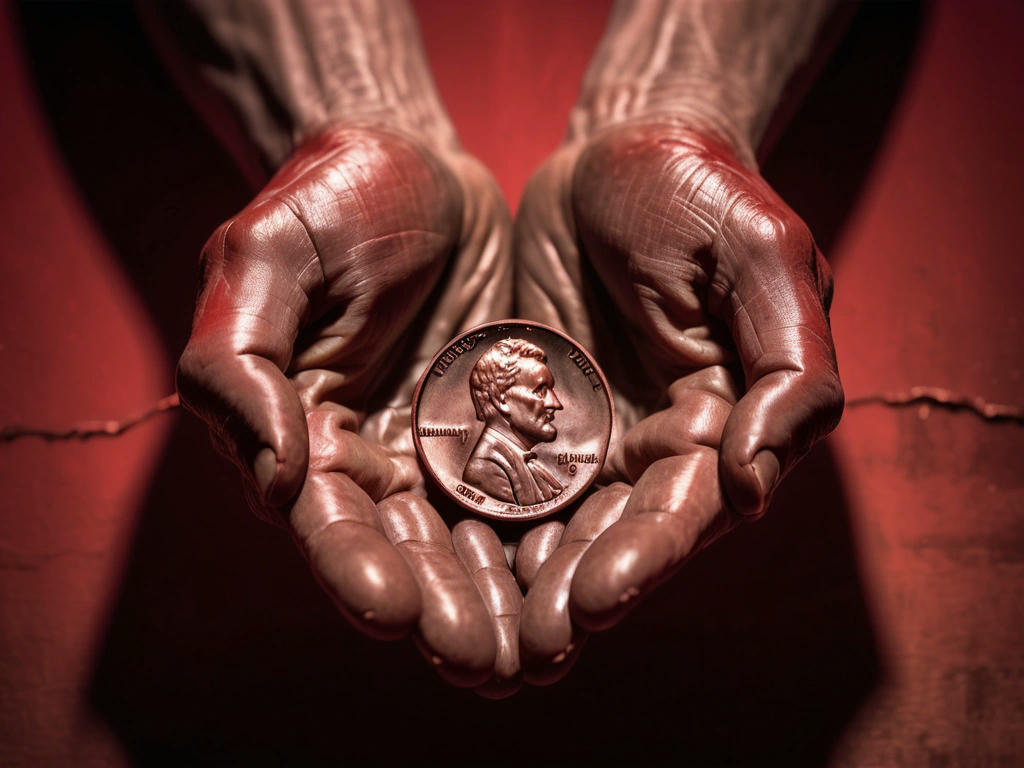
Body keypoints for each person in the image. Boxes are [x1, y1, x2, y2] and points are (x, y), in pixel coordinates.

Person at [156, 0, 844, 696]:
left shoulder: (528, 471)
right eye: (537, 388)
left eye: (549, 386)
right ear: (492, 401)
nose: (554, 398)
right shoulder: (498, 469)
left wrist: (682, 118)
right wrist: (353, 125)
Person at [463, 339, 564, 506]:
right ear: (501, 399)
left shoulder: (531, 467)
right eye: (540, 391)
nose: (555, 403)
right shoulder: (487, 469)